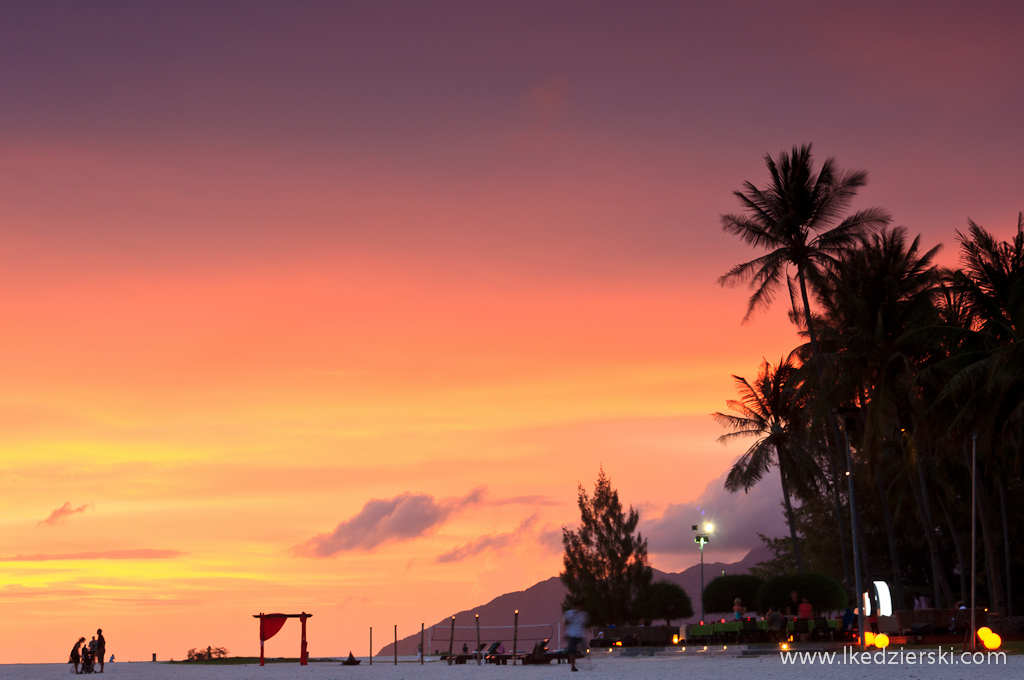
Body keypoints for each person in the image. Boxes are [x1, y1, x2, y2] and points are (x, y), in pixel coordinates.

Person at [563, 601, 589, 673]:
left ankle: (586, 659)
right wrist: (565, 633)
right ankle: (573, 666)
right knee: (572, 650)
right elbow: (565, 623)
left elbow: (584, 624)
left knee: (583, 648)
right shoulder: (568, 614)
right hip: (571, 634)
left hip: (580, 634)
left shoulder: (583, 614)